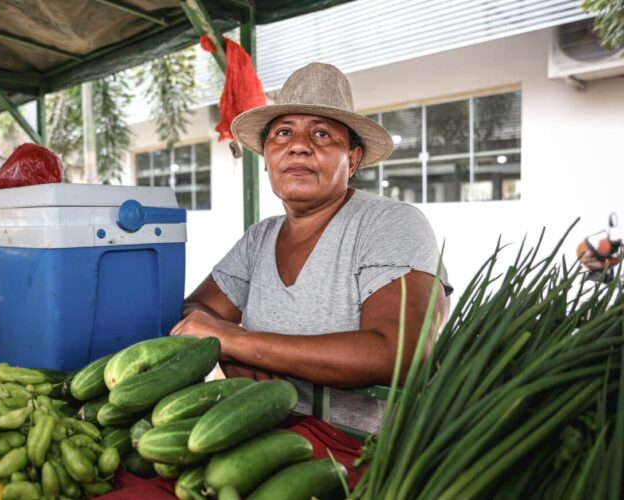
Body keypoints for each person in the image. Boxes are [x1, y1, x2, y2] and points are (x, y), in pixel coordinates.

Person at [170, 63, 453, 433]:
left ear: (352, 160)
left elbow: (399, 352)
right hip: (267, 435)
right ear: (268, 159)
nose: (299, 147)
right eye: (283, 133)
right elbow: (197, 311)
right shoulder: (259, 238)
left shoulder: (390, 223)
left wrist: (239, 341)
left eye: (321, 134)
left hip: (370, 454)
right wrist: (234, 349)